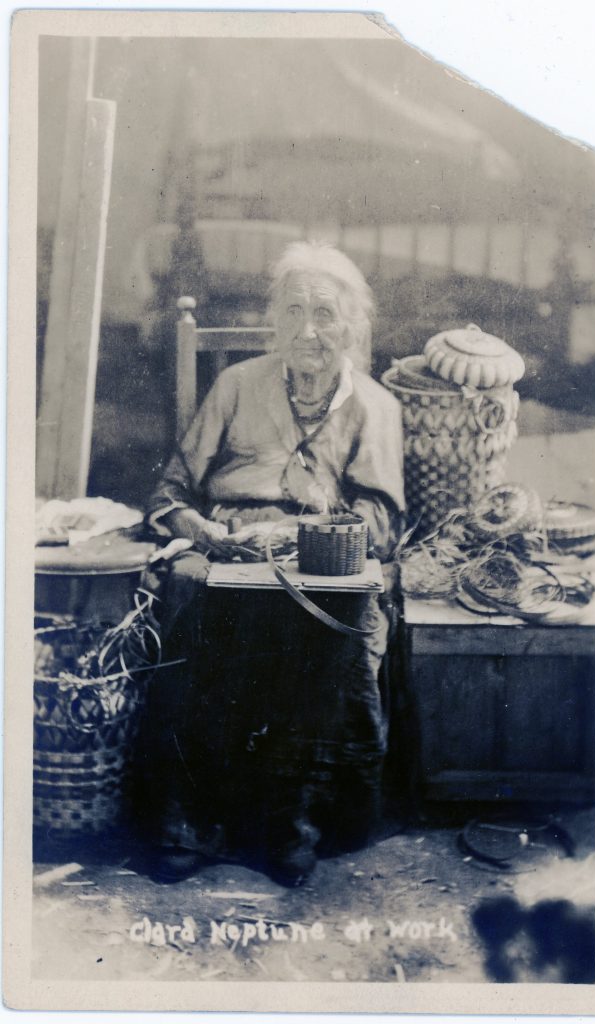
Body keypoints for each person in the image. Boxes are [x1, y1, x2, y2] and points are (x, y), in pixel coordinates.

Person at [137, 241, 405, 886]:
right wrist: (201, 529)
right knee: (190, 595)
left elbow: (380, 522)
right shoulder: (235, 386)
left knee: (333, 617)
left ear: (352, 325)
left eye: (325, 314)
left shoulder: (375, 406)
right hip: (223, 546)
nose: (308, 331)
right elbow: (171, 493)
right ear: (274, 322)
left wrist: (295, 532)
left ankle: (293, 819)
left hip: (320, 555)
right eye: (293, 313)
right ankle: (189, 820)